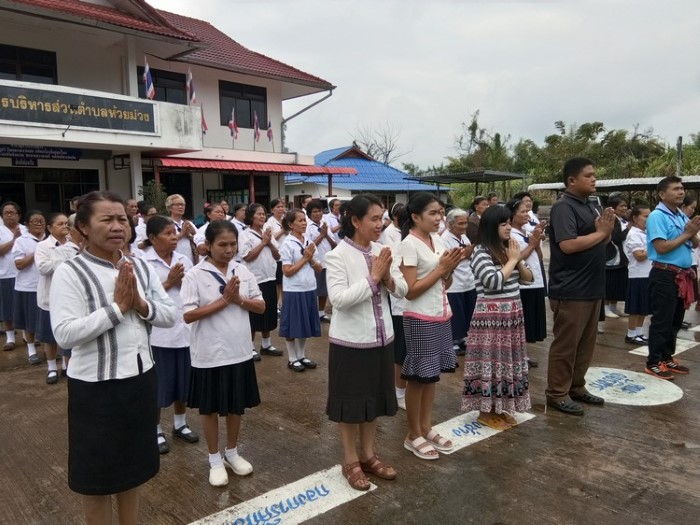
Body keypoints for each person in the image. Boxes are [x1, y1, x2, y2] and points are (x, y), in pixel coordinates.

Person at [50, 190, 176, 524]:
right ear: (84, 228)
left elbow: (169, 314)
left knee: (132, 469)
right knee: (97, 478)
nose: (117, 226)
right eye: (106, 219)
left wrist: (140, 304)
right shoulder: (70, 272)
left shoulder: (141, 269)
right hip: (96, 388)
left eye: (122, 219)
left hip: (140, 380)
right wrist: (118, 309)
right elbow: (64, 333)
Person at [325, 194, 407, 491]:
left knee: (372, 400)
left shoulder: (384, 250)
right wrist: (373, 278)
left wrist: (387, 280)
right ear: (355, 221)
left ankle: (369, 454)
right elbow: (339, 301)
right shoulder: (337, 256)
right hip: (350, 343)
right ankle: (350, 460)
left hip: (382, 338)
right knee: (350, 404)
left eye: (382, 217)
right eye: (373, 218)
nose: (380, 223)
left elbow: (402, 290)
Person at [181, 220, 264, 487]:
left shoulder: (242, 270)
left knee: (235, 404)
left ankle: (232, 452)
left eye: (233, 244)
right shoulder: (195, 275)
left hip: (239, 350)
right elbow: (188, 314)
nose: (229, 250)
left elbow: (261, 306)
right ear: (208, 246)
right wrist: (224, 301)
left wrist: (239, 300)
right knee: (210, 408)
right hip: (208, 353)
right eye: (222, 245)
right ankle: (214, 458)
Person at [546, 157, 614, 416]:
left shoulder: (590, 206)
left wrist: (606, 232)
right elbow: (568, 245)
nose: (594, 179)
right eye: (588, 175)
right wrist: (600, 233)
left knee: (586, 344)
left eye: (595, 174)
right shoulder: (564, 207)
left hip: (592, 287)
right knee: (566, 345)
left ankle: (576, 386)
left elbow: (602, 242)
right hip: (571, 289)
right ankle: (556, 393)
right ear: (572, 180)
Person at [397, 192, 462, 460]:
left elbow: (444, 283)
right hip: (419, 317)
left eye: (440, 212)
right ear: (415, 217)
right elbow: (410, 291)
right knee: (418, 378)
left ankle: (426, 426)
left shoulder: (436, 240)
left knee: (431, 376)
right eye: (433, 213)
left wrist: (450, 268)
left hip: (440, 313)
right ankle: (413, 434)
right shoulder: (408, 245)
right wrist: (441, 268)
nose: (439, 218)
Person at [463, 205, 533, 430]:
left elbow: (528, 279)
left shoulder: (507, 249)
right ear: (492, 227)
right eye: (503, 224)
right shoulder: (480, 251)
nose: (508, 227)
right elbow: (492, 282)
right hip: (490, 317)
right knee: (489, 363)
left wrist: (517, 259)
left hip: (511, 315)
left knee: (506, 363)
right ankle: (485, 411)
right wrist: (512, 260)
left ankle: (500, 408)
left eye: (509, 223)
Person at [142, 216, 199, 455]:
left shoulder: (183, 259)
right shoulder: (144, 263)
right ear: (153, 238)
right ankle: (154, 429)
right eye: (167, 233)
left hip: (184, 331)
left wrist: (185, 281)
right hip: (159, 336)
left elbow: (193, 288)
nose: (174, 237)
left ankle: (180, 423)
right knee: (159, 385)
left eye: (175, 233)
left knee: (182, 382)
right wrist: (169, 282)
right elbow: (142, 299)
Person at [645, 176, 700, 379]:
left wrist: (692, 232)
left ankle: (666, 357)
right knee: (662, 320)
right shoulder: (657, 216)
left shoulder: (680, 215)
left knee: (676, 320)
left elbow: (694, 244)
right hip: (665, 274)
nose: (681, 192)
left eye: (682, 188)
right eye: (676, 188)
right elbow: (661, 247)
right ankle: (653, 361)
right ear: (662, 194)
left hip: (681, 275)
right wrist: (687, 234)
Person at [279, 209, 322, 372]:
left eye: (305, 220)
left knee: (305, 323)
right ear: (291, 224)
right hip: (293, 289)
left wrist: (310, 259)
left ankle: (301, 355)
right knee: (292, 324)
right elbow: (287, 271)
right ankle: (291, 358)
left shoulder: (308, 241)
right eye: (300, 220)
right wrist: (305, 258)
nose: (304, 223)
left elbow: (318, 268)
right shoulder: (287, 244)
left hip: (309, 287)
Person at [240, 203, 282, 359]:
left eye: (264, 214)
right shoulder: (245, 235)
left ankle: (266, 344)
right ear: (251, 217)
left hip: (270, 277)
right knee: (253, 315)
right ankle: (249, 347)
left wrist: (269, 242)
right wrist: (263, 243)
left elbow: (277, 256)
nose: (262, 216)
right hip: (254, 280)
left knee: (268, 312)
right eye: (259, 214)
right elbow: (247, 256)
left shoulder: (267, 233)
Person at [508, 199, 547, 367]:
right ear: (512, 215)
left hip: (534, 280)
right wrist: (532, 244)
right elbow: (515, 259)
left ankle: (523, 355)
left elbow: (538, 257)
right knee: (522, 321)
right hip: (522, 283)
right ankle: (517, 356)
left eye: (527, 212)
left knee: (529, 322)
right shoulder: (510, 234)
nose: (526, 215)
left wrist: (536, 242)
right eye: (522, 212)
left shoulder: (525, 231)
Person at [35, 213, 71, 383]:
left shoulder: (72, 243)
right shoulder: (43, 246)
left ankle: (66, 365)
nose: (65, 226)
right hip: (49, 297)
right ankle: (51, 368)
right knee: (50, 337)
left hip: (68, 296)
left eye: (66, 223)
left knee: (67, 333)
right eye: (60, 224)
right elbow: (42, 268)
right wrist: (61, 257)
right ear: (50, 228)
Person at [380, 203, 408, 410]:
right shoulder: (390, 236)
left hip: (416, 303)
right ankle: (398, 391)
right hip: (400, 302)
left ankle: (406, 389)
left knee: (411, 349)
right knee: (401, 349)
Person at [441, 208, 477, 356]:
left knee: (467, 311)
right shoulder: (444, 239)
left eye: (465, 223)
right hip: (454, 283)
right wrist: (465, 254)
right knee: (456, 313)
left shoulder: (464, 237)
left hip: (468, 280)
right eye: (460, 224)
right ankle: (452, 341)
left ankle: (462, 338)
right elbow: (446, 261)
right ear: (450, 224)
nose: (464, 226)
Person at [12, 210, 46, 365]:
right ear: (27, 224)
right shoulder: (21, 241)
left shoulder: (51, 240)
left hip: (47, 286)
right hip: (28, 286)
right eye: (35, 221)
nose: (39, 224)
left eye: (42, 221)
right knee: (29, 321)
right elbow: (19, 264)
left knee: (47, 319)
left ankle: (48, 348)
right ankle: (31, 349)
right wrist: (36, 252)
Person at [623, 204, 652, 345]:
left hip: (647, 274)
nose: (649, 219)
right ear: (635, 218)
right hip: (638, 275)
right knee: (635, 308)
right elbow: (639, 255)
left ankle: (639, 333)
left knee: (644, 307)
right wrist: (655, 247)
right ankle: (631, 334)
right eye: (646, 216)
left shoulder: (645, 233)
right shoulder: (634, 234)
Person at [0, 201, 25, 351]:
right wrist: (14, 239)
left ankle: (26, 335)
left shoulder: (25, 229)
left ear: (18, 214)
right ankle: (10, 338)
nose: (9, 215)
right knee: (7, 308)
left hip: (23, 275)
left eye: (12, 212)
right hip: (4, 274)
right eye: (6, 213)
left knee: (23, 307)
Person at [306, 199, 336, 322]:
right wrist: (321, 235)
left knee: (324, 289)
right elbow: (310, 246)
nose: (318, 214)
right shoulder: (308, 226)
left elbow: (334, 244)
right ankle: (311, 313)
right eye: (315, 211)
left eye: (320, 211)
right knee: (314, 289)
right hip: (315, 262)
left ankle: (321, 313)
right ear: (310, 213)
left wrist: (326, 234)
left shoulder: (325, 224)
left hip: (327, 261)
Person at [604, 196, 631, 319]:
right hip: (613, 257)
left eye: (625, 205)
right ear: (613, 208)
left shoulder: (622, 219)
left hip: (622, 258)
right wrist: (629, 228)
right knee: (610, 284)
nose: (624, 208)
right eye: (622, 206)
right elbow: (616, 237)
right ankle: (605, 308)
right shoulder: (613, 220)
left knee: (618, 284)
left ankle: (613, 307)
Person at [265, 198, 287, 310]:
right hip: (277, 256)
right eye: (278, 207)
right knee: (278, 282)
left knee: (284, 281)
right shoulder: (269, 223)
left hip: (287, 255)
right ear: (272, 209)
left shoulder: (285, 219)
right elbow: (270, 238)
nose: (280, 209)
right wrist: (283, 230)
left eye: (282, 206)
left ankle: (282, 303)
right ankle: (279, 304)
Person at [166, 194, 198, 264]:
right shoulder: (165, 224)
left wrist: (191, 235)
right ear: (170, 207)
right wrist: (182, 234)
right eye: (177, 204)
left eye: (183, 205)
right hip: (173, 261)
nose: (181, 207)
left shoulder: (188, 223)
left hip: (190, 260)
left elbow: (198, 240)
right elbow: (165, 241)